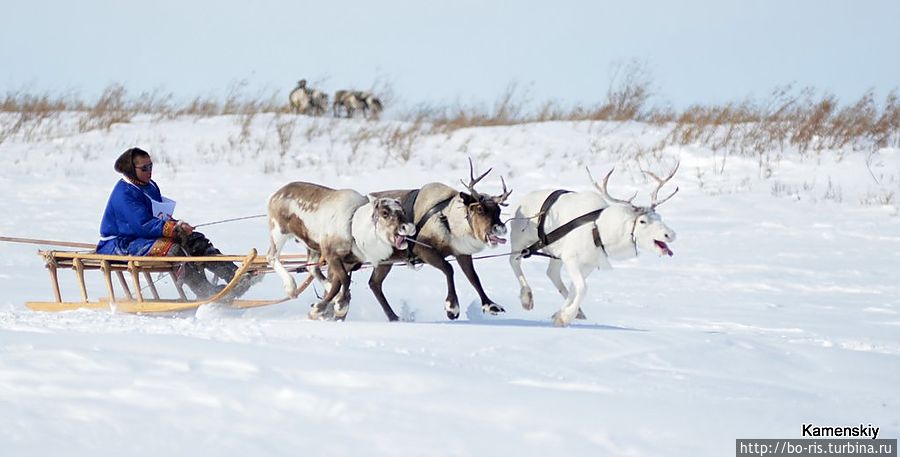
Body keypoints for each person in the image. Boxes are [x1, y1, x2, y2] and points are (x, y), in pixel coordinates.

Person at [97, 147, 254, 299]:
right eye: (144, 168)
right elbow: (143, 225)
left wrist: (178, 226)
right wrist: (172, 228)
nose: (149, 171)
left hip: (144, 237)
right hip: (121, 243)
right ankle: (205, 291)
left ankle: (236, 277)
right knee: (173, 250)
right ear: (131, 169)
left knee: (194, 240)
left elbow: (158, 215)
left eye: (151, 166)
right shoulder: (124, 193)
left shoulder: (150, 185)